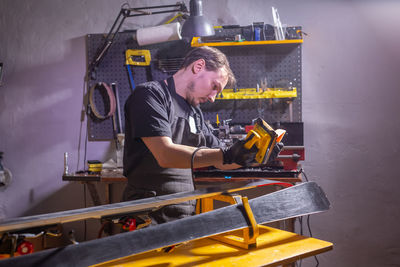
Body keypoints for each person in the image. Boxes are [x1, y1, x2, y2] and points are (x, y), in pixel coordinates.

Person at [123, 46, 260, 225]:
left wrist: (256, 156)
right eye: (214, 87)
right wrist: (226, 154)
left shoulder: (194, 112)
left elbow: (221, 159)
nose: (213, 98)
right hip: (147, 214)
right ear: (198, 66)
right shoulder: (150, 95)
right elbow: (165, 154)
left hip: (182, 214)